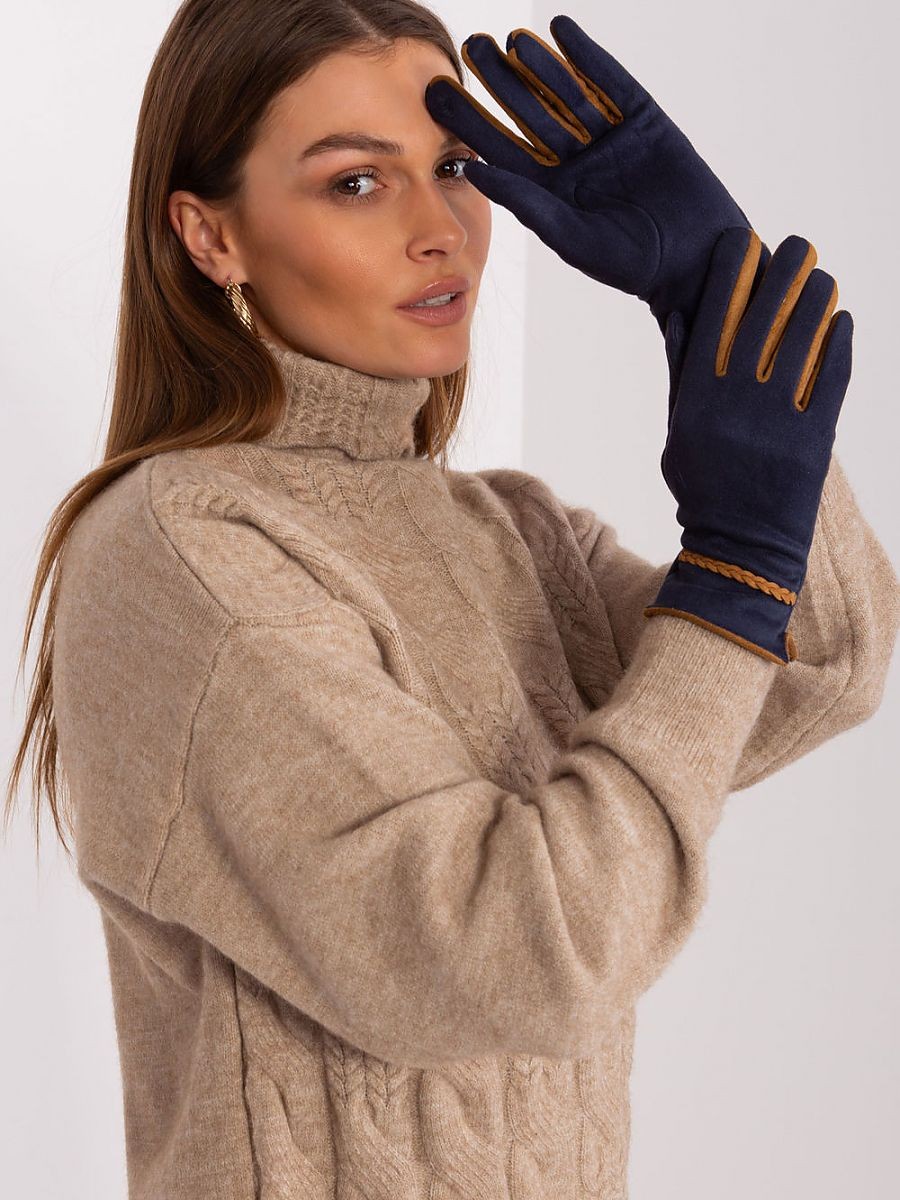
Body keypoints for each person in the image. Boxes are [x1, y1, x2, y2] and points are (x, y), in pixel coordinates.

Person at [5, 2, 898, 1197]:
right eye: (356, 183)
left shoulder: (512, 531)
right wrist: (731, 564)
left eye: (457, 170)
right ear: (210, 234)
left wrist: (715, 307)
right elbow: (523, 958)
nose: (439, 231)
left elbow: (824, 662)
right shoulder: (182, 550)